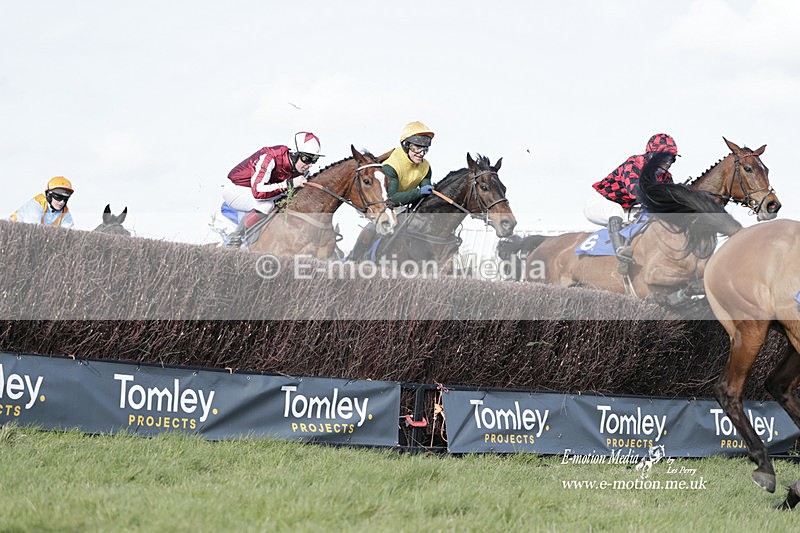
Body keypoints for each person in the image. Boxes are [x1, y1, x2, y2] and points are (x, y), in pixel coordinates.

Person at [584, 133, 679, 267]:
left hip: (629, 209)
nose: (668, 163)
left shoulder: (666, 177)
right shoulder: (634, 163)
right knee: (615, 210)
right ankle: (620, 252)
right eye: (664, 158)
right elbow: (635, 191)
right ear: (651, 155)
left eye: (672, 159)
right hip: (602, 203)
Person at [348, 121, 435, 260]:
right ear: (406, 146)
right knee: (373, 229)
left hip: (406, 207)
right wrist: (418, 193)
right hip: (382, 205)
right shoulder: (391, 166)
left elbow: (426, 190)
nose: (422, 153)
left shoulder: (425, 166)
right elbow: (392, 198)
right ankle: (353, 259)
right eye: (417, 147)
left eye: (425, 148)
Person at [223, 131, 324, 247]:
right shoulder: (269, 157)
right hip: (236, 189)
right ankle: (235, 238)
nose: (310, 164)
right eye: (307, 158)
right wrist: (290, 184)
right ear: (294, 154)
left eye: (314, 159)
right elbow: (258, 192)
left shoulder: (302, 170)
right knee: (266, 205)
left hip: (263, 193)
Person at [10, 176, 76, 228]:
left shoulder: (64, 211)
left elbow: (70, 232)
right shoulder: (36, 204)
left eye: (65, 199)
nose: (62, 202)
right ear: (49, 195)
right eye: (58, 197)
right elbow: (32, 230)